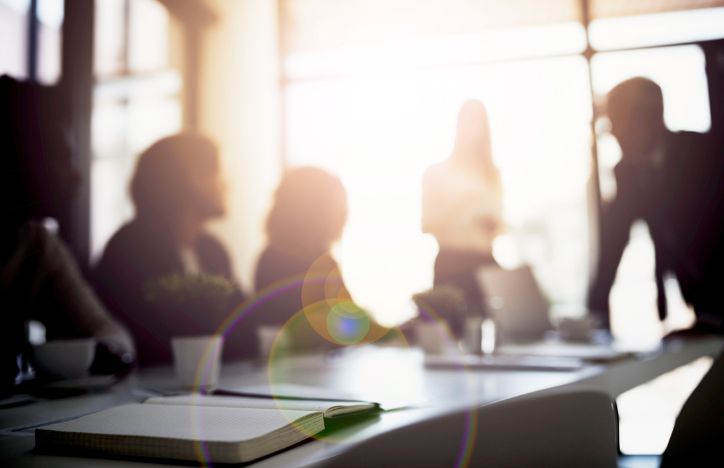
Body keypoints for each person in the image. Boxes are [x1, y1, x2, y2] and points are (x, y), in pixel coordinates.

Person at [0, 76, 134, 394]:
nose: (76, 177)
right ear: (16, 153)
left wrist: (97, 353)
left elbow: (108, 332)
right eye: (61, 157)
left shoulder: (39, 246)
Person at [93, 133, 246, 365]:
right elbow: (148, 341)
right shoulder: (129, 250)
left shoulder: (213, 250)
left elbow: (243, 324)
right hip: (148, 391)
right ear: (192, 178)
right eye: (217, 172)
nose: (227, 184)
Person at [588, 77, 724, 332]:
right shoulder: (627, 173)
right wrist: (592, 317)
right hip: (703, 304)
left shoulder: (705, 152)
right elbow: (612, 247)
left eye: (620, 122)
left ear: (647, 119)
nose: (614, 133)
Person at [255, 167, 378, 350]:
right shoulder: (276, 262)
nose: (344, 217)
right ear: (313, 209)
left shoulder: (325, 262)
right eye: (338, 206)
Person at [421, 99, 503, 335]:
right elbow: (427, 224)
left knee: (496, 335)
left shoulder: (492, 174)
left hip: (486, 263)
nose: (472, 128)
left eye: (478, 121)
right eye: (467, 120)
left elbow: (499, 226)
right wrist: (465, 208)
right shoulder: (437, 173)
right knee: (452, 335)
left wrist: (494, 225)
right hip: (451, 264)